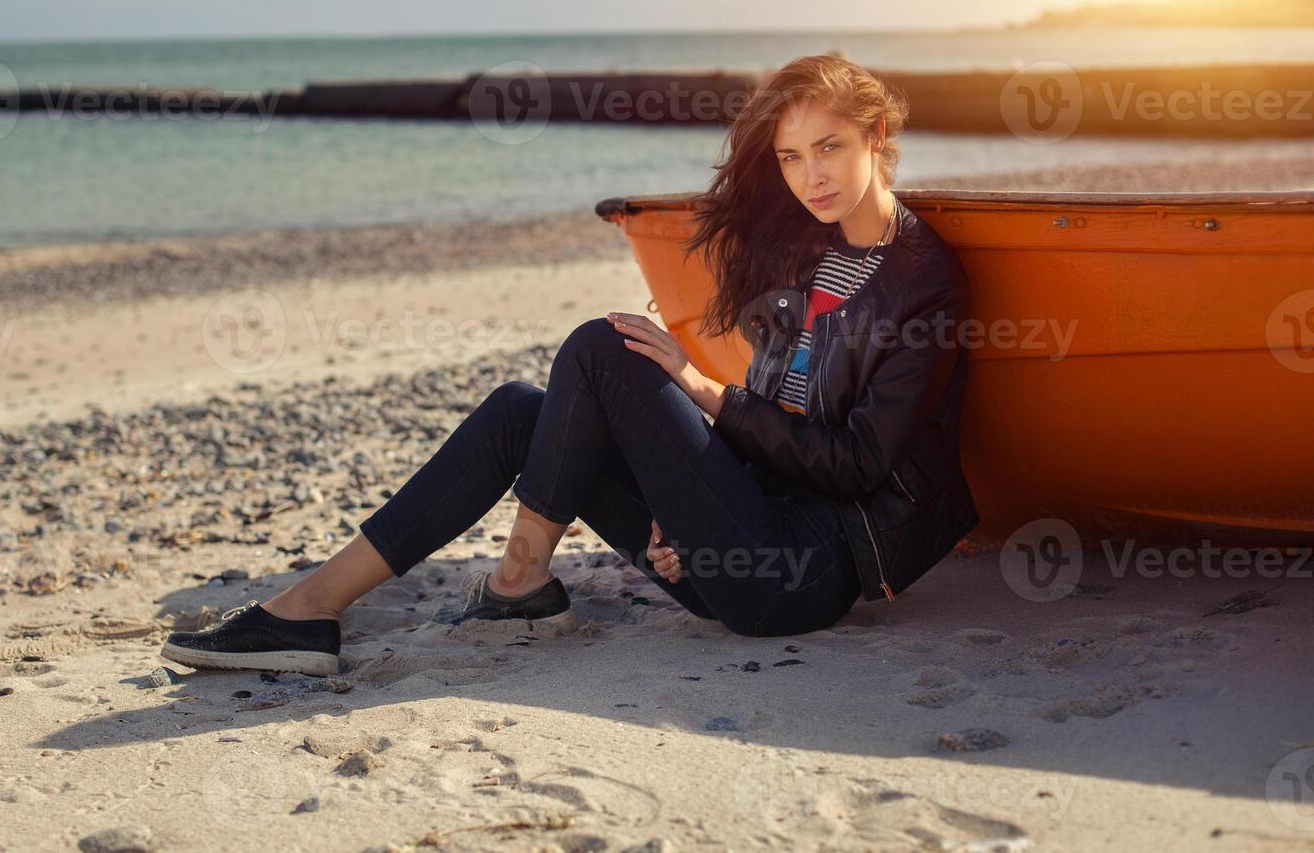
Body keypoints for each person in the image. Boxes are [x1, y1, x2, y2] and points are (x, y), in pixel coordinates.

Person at [158, 54, 979, 676]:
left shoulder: (923, 283)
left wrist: (700, 395)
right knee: (523, 409)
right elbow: (780, 416)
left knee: (600, 348)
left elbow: (856, 464)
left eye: (829, 148)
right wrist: (686, 510)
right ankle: (311, 606)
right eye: (792, 157)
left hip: (797, 578)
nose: (810, 177)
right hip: (731, 546)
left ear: (878, 138)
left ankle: (518, 587)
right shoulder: (808, 252)